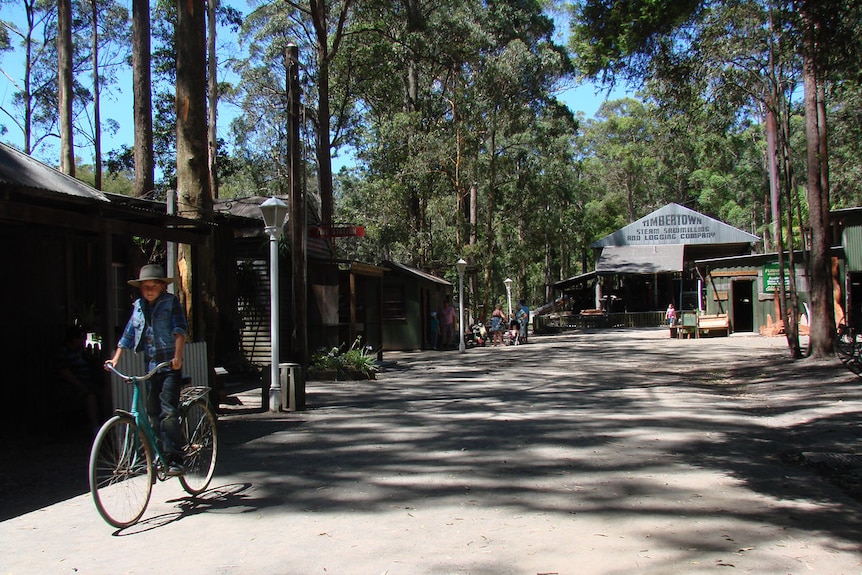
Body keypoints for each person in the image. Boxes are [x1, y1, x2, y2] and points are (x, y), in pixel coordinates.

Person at [107, 264, 188, 476]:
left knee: (168, 412)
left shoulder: (170, 303)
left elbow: (180, 331)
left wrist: (177, 357)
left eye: (153, 286)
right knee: (152, 414)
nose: (149, 290)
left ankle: (175, 458)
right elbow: (128, 334)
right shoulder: (138, 307)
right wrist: (115, 359)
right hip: (151, 367)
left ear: (161, 286)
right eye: (145, 287)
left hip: (169, 366)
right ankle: (157, 456)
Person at [56, 325, 109, 435]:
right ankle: (95, 427)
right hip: (73, 386)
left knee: (104, 392)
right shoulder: (63, 352)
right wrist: (82, 386)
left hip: (88, 383)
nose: (83, 341)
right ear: (73, 339)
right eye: (80, 338)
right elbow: (66, 373)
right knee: (91, 396)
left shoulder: (81, 352)